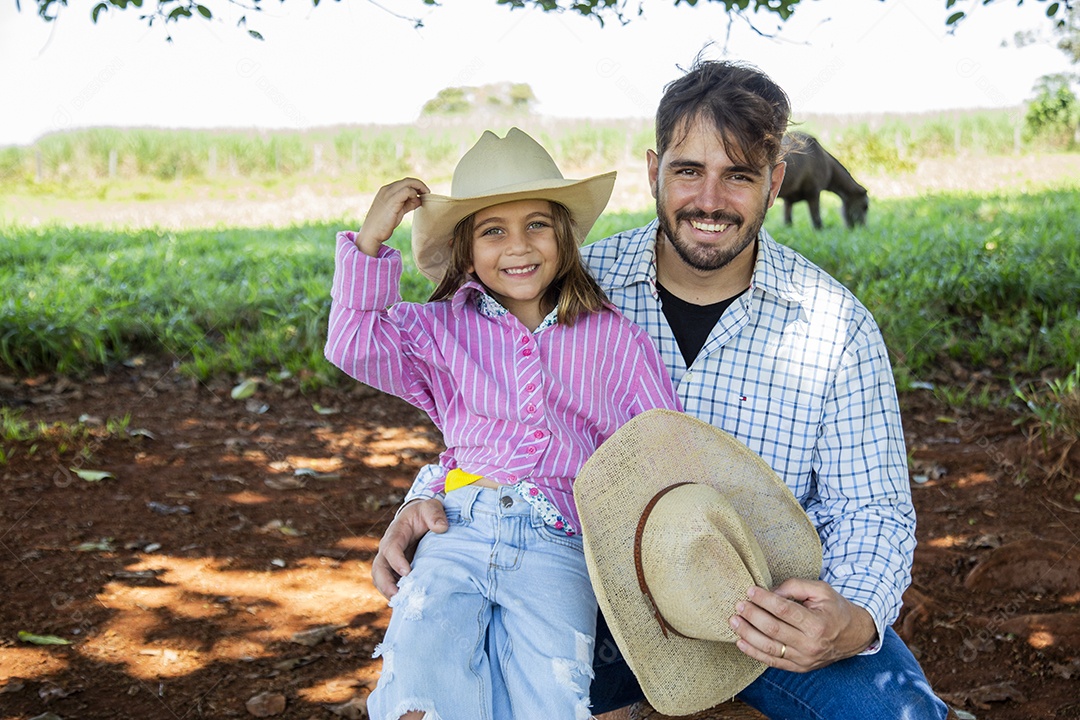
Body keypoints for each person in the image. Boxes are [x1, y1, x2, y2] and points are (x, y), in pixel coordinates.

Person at [372, 60, 949, 720]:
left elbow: (874, 507)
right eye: (688, 171)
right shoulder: (567, 286)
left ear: (775, 182)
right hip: (591, 593)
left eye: (739, 175)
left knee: (898, 715)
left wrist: (854, 617)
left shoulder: (834, 325)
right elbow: (491, 410)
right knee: (457, 680)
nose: (710, 200)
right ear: (654, 172)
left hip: (768, 609)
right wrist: (432, 495)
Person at [325, 127, 681, 720]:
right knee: (418, 689)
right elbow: (353, 344)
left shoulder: (615, 338)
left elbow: (660, 450)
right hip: (457, 529)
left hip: (561, 542)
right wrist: (369, 241)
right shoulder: (438, 328)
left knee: (553, 698)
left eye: (536, 224)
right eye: (493, 231)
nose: (518, 245)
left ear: (563, 237)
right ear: (466, 252)